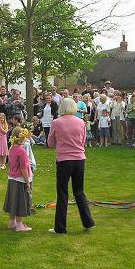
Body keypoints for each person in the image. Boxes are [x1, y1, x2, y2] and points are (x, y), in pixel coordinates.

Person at [47, 98, 95, 234]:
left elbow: (50, 143)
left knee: (62, 193)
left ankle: (60, 227)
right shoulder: (81, 122)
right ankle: (88, 222)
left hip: (64, 160)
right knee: (79, 192)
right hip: (79, 159)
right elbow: (83, 140)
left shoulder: (56, 122)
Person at [3, 126, 33, 232]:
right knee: (20, 201)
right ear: (22, 137)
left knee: (13, 200)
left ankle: (12, 222)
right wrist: (27, 182)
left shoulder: (11, 148)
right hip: (20, 180)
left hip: (12, 178)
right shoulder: (22, 151)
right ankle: (19, 225)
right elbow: (23, 168)